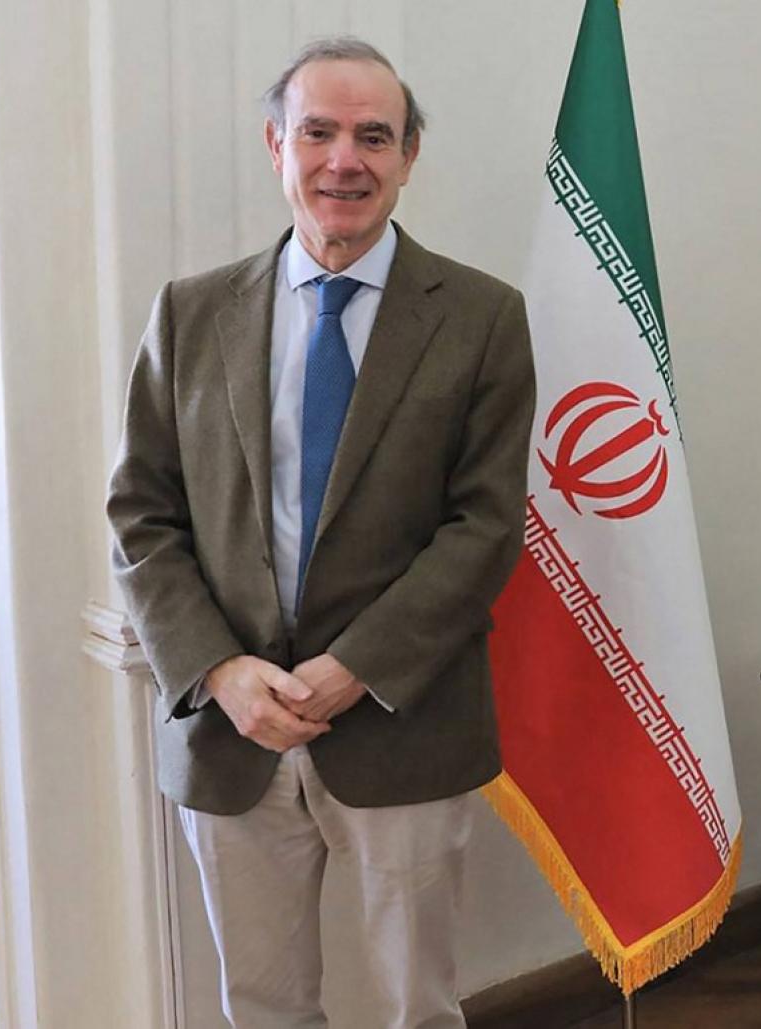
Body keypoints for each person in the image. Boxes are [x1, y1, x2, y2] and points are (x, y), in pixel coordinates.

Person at [107, 37, 535, 1028]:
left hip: (405, 720)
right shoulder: (189, 314)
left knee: (418, 1007)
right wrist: (220, 671)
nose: (345, 160)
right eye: (319, 132)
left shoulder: (481, 317)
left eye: (374, 136)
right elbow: (141, 510)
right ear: (277, 146)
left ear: (408, 156)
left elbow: (484, 525)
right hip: (232, 729)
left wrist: (356, 668)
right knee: (262, 1006)